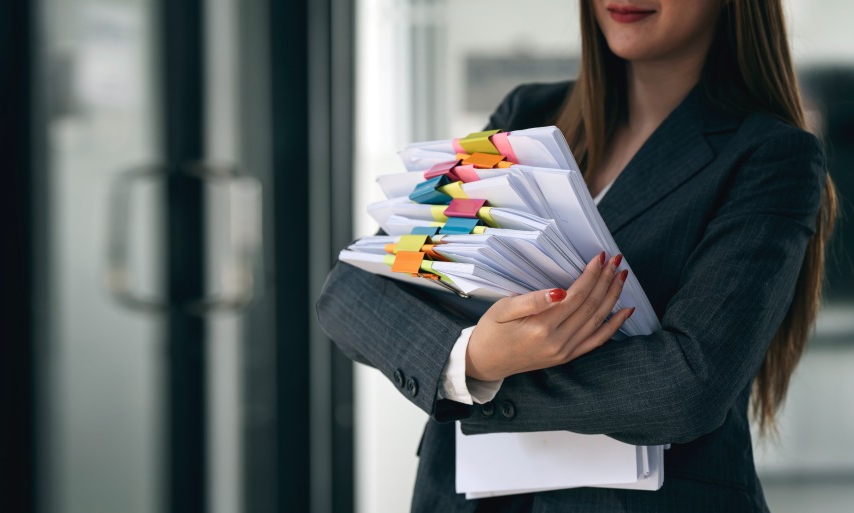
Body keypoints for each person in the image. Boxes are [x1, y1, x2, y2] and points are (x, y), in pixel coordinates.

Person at [317, 0, 837, 511]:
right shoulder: (526, 115)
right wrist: (472, 358)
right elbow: (355, 289)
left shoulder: (770, 154)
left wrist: (489, 375)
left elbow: (685, 388)